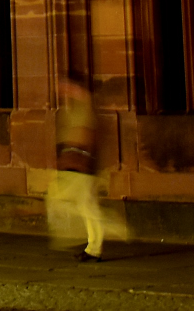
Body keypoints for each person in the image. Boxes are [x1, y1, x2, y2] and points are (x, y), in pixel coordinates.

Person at [45, 76, 123, 262]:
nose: (60, 89)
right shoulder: (74, 105)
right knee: (87, 208)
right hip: (76, 163)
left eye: (64, 85)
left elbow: (85, 135)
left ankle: (114, 227)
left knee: (57, 199)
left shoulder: (84, 105)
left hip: (81, 165)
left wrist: (75, 161)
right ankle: (94, 248)